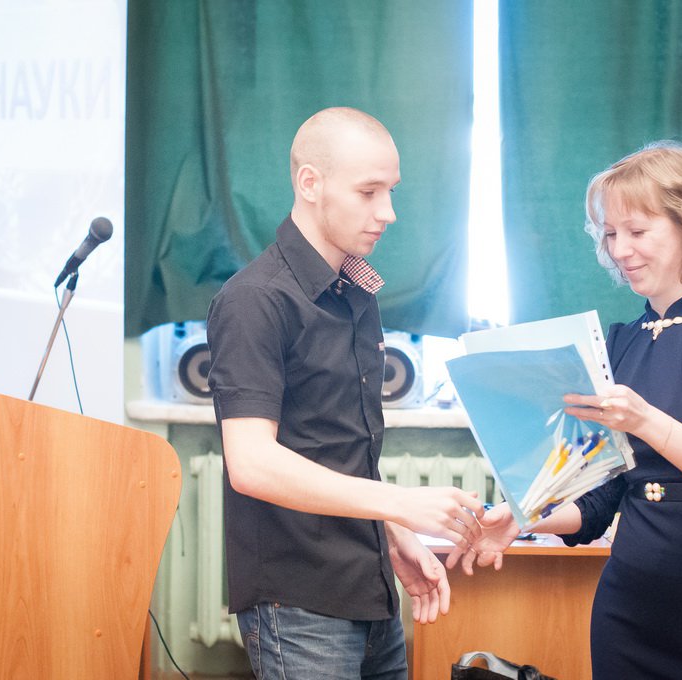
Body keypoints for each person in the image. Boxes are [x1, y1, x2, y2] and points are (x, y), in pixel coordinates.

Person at [455, 141, 682, 679]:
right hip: (631, 614)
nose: (619, 250)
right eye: (610, 234)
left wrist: (646, 421)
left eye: (636, 231)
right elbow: (602, 496)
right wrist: (523, 519)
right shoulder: (620, 342)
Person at [205, 106, 485, 679]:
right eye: (368, 192)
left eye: (391, 192)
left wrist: (395, 535)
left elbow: (336, 447)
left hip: (369, 589)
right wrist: (398, 504)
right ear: (310, 184)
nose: (388, 212)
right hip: (299, 602)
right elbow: (251, 464)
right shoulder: (254, 299)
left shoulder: (356, 288)